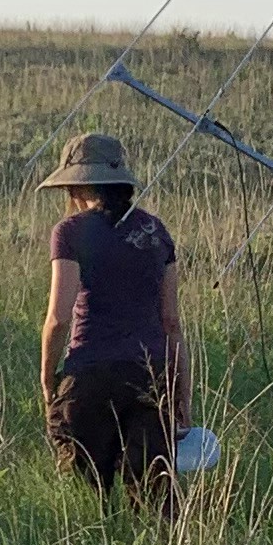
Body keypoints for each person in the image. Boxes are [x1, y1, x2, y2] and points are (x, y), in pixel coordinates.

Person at [34, 133, 189, 501]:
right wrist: (183, 392)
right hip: (151, 373)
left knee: (86, 496)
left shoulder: (70, 232)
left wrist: (47, 378)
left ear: (76, 186)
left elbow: (58, 317)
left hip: (90, 374)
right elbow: (171, 322)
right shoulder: (156, 231)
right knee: (154, 494)